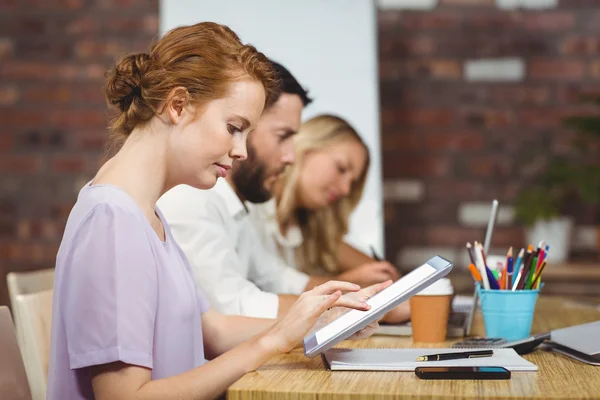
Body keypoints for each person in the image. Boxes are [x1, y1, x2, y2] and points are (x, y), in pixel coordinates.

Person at [46, 22, 387, 400]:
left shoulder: (147, 214)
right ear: (177, 106)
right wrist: (271, 341)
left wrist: (320, 320)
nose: (241, 151)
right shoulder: (113, 221)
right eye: (233, 127)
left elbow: (212, 330)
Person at [158, 63, 398, 319]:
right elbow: (233, 309)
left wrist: (345, 297)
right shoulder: (192, 199)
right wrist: (342, 308)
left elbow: (275, 277)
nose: (290, 157)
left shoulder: (235, 206)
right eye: (283, 136)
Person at [250, 114, 410, 323]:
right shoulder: (252, 209)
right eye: (341, 169)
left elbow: (385, 278)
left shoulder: (305, 226)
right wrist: (346, 284)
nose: (345, 189)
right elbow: (267, 289)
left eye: (351, 183)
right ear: (304, 147)